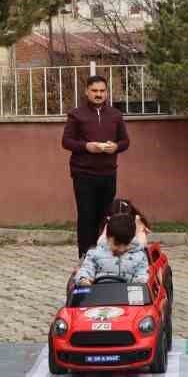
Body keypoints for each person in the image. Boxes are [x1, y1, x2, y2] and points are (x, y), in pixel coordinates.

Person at [62, 75, 130, 256]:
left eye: (102, 91)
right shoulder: (76, 114)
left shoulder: (115, 115)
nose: (98, 94)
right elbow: (66, 141)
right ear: (86, 91)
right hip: (83, 174)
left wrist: (115, 147)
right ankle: (85, 256)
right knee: (86, 216)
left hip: (108, 173)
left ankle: (104, 255)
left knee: (106, 217)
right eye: (94, 91)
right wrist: (87, 146)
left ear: (107, 92)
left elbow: (125, 141)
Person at [73, 212, 149, 286]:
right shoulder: (95, 254)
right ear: (107, 237)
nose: (121, 249)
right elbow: (87, 269)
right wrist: (84, 279)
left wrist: (139, 282)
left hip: (126, 293)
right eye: (117, 244)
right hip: (100, 292)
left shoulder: (139, 257)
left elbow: (142, 274)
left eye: (126, 244)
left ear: (132, 239)